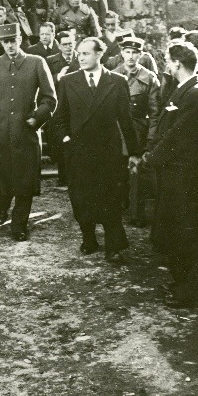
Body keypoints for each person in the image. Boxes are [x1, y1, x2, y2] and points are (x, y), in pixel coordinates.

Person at [55, 38, 139, 264]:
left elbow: (126, 121)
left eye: (86, 53)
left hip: (108, 152)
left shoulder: (117, 81)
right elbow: (60, 117)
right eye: (78, 54)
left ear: (99, 54)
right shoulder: (67, 81)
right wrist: (66, 137)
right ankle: (89, 238)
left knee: (110, 198)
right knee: (82, 198)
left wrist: (133, 152)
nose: (81, 58)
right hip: (79, 152)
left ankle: (114, 246)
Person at [140, 41, 198, 306]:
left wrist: (152, 157)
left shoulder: (196, 94)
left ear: (177, 63)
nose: (167, 66)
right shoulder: (185, 90)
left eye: (169, 61)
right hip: (175, 175)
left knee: (186, 233)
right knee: (176, 231)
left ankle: (189, 292)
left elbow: (177, 135)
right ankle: (181, 282)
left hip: (185, 178)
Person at [0, 23, 57, 241]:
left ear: (20, 40)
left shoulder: (36, 62)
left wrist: (36, 117)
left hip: (27, 133)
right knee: (4, 177)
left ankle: (19, 224)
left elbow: (50, 98)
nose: (10, 45)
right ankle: (4, 205)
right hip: (1, 133)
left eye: (13, 40)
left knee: (25, 180)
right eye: (5, 41)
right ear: (1, 43)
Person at [114, 37, 161, 226]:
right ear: (122, 53)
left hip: (137, 131)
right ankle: (117, 208)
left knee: (136, 172)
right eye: (127, 52)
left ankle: (136, 214)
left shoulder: (149, 78)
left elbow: (155, 113)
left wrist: (150, 139)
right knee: (116, 171)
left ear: (141, 55)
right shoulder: (112, 75)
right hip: (116, 131)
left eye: (135, 53)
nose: (131, 56)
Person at [47, 33, 80, 186]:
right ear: (59, 46)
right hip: (59, 106)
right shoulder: (50, 61)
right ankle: (63, 177)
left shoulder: (82, 58)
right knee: (61, 140)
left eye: (70, 44)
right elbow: (44, 84)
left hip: (78, 105)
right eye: (65, 44)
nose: (68, 47)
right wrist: (57, 76)